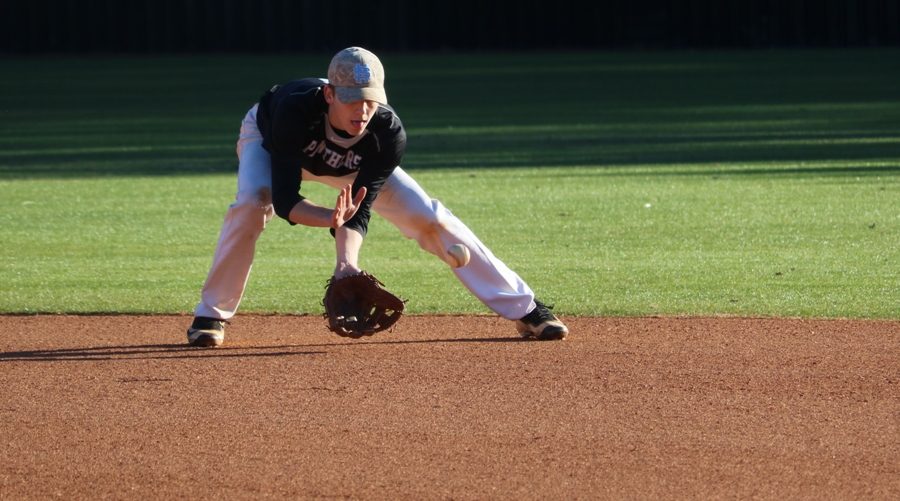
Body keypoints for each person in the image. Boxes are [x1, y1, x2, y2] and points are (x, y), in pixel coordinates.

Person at [187, 46, 568, 347]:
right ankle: (211, 315)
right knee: (253, 203)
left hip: (351, 164)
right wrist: (328, 219)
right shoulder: (293, 112)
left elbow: (360, 207)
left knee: (430, 218)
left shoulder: (386, 133)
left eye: (370, 98)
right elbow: (286, 200)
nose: (363, 109)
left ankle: (526, 309)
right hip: (273, 142)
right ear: (329, 94)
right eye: (352, 99)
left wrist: (346, 266)